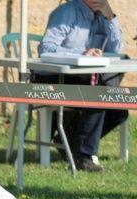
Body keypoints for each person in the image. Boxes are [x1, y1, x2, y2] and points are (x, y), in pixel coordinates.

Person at [36, 0, 128, 172]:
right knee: (98, 96)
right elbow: (45, 48)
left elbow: (116, 50)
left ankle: (68, 141)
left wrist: (111, 18)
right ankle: (83, 156)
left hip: (84, 77)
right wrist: (81, 54)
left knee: (119, 112)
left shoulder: (102, 15)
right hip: (54, 78)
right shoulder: (67, 12)